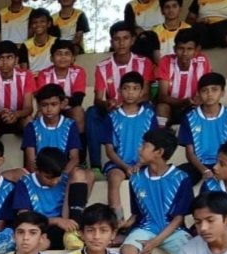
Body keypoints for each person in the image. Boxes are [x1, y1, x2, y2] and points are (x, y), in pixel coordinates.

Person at [120, 129, 194, 254]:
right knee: (126, 253)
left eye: (145, 146)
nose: (139, 149)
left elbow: (178, 218)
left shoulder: (181, 178)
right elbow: (137, 214)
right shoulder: (136, 178)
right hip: (146, 227)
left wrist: (154, 243)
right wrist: (123, 225)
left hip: (173, 230)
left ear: (159, 152)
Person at [87, 22, 153, 170]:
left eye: (126, 38)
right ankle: (96, 166)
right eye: (117, 39)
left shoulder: (144, 63)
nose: (121, 43)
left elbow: (146, 95)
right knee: (92, 112)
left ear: (133, 40)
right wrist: (108, 103)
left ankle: (148, 162)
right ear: (111, 42)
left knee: (148, 109)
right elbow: (98, 99)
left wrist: (126, 104)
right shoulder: (102, 67)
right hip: (113, 110)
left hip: (135, 107)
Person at [9, 147, 85, 251]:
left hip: (64, 227)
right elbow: (24, 218)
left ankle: (73, 233)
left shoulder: (65, 180)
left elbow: (88, 176)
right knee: (43, 242)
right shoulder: (25, 183)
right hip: (38, 228)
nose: (55, 181)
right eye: (48, 177)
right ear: (37, 169)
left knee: (79, 173)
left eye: (58, 176)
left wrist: (67, 223)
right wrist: (56, 221)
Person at [178, 73, 227, 185]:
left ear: (222, 92)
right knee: (176, 178)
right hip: (198, 165)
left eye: (214, 90)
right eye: (204, 90)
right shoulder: (189, 117)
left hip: (226, 164)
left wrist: (223, 167)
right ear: (199, 94)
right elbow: (190, 154)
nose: (209, 94)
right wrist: (204, 170)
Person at [103, 72, 157, 217]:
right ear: (119, 91)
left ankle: (151, 218)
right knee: (114, 178)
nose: (130, 92)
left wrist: (140, 164)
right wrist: (126, 167)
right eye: (126, 88)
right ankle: (117, 220)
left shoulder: (149, 115)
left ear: (142, 92)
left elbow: (153, 145)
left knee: (154, 176)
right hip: (119, 164)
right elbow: (109, 150)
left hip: (144, 164)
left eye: (135, 88)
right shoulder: (112, 117)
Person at [22, 84, 84, 179]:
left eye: (54, 104)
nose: (49, 109)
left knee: (86, 174)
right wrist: (43, 177)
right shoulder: (32, 127)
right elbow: (30, 162)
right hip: (39, 173)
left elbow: (74, 158)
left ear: (62, 104)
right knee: (10, 175)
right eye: (44, 105)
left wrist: (62, 175)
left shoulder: (70, 125)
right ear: (39, 105)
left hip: (62, 171)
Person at [155, 28, 211, 128]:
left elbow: (206, 88)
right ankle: (161, 133)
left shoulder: (202, 61)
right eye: (181, 48)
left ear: (197, 50)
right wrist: (183, 102)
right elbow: (162, 96)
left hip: (192, 108)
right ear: (174, 49)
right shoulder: (166, 61)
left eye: (189, 49)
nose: (185, 53)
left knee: (206, 107)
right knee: (161, 108)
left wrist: (199, 99)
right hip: (171, 107)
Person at [0, 41, 36, 138]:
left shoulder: (26, 76)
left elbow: (28, 108)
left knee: (29, 120)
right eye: (0, 58)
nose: (5, 62)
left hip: (19, 118)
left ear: (16, 60)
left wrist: (15, 115)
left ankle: (30, 148)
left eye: (9, 57)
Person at [36, 40, 86, 136]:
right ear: (51, 58)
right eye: (59, 54)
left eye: (67, 54)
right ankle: (43, 143)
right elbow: (42, 98)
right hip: (50, 108)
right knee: (39, 114)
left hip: (70, 109)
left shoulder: (79, 72)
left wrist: (60, 103)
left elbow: (78, 100)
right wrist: (59, 103)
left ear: (73, 58)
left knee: (78, 111)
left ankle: (80, 144)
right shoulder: (44, 74)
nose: (63, 57)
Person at [24, 9, 58, 74]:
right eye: (35, 22)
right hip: (32, 78)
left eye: (42, 21)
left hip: (52, 77)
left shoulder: (56, 42)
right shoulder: (26, 45)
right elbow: (25, 71)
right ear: (31, 25)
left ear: (49, 24)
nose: (38, 25)